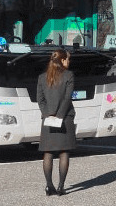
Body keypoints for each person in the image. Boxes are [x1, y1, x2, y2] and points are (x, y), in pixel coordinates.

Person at [37, 49, 76, 197]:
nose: (69, 62)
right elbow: (67, 98)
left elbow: (40, 99)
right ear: (62, 60)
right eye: (67, 59)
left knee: (48, 152)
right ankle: (60, 187)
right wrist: (59, 117)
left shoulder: (42, 77)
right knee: (64, 152)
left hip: (48, 119)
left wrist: (49, 115)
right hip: (64, 118)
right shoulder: (69, 75)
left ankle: (49, 186)